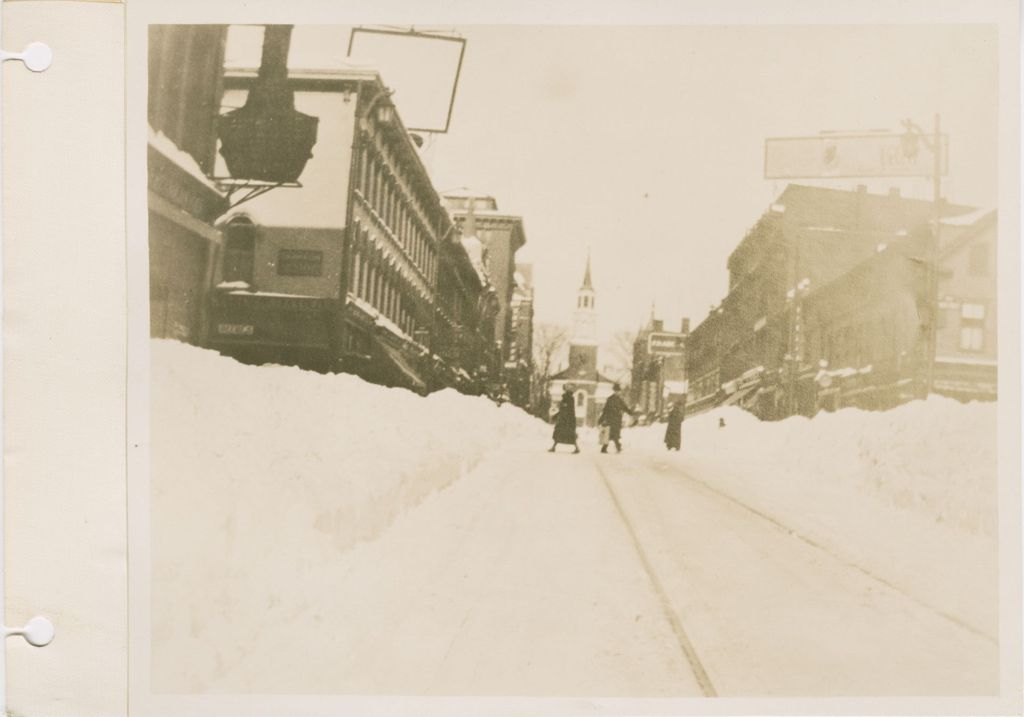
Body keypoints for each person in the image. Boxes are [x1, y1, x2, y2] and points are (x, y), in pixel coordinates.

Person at [598, 383, 634, 454]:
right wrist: (601, 419)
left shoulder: (619, 400)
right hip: (611, 419)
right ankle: (615, 447)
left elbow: (625, 408)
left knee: (615, 434)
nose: (617, 392)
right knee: (611, 434)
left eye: (618, 391)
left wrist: (631, 413)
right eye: (616, 391)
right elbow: (605, 410)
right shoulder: (610, 399)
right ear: (614, 391)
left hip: (617, 420)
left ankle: (610, 447)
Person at [549, 388, 581, 454]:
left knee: (564, 434)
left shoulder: (568, 400)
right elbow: (564, 410)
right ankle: (553, 447)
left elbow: (564, 410)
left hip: (565, 421)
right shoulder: (569, 400)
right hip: (567, 420)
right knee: (565, 434)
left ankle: (576, 448)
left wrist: (557, 416)